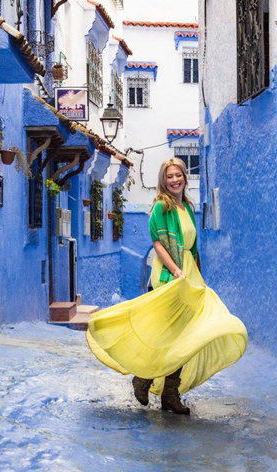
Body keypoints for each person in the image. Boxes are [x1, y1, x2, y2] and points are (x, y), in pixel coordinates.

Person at [86, 158, 247, 415]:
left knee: (183, 337)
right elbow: (158, 243)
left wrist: (198, 277)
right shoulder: (162, 207)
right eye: (169, 176)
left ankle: (170, 393)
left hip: (189, 277)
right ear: (164, 180)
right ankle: (144, 379)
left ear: (185, 177)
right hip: (169, 278)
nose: (174, 180)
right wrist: (175, 270)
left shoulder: (186, 207)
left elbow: (192, 248)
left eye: (178, 175)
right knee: (163, 335)